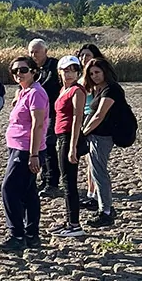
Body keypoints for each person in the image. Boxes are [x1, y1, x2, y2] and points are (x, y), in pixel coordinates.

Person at [0, 57, 49, 252]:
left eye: (23, 70)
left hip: (26, 149)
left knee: (9, 189)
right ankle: (32, 234)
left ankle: (16, 234)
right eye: (15, 71)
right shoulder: (24, 92)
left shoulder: (36, 93)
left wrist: (33, 155)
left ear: (34, 71)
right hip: (17, 147)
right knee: (28, 191)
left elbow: (38, 124)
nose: (19, 73)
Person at [81, 57, 123, 228]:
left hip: (103, 136)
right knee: (95, 170)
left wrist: (83, 132)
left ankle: (105, 211)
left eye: (97, 72)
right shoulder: (100, 88)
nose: (94, 76)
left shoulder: (111, 89)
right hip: (96, 135)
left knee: (99, 172)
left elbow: (99, 115)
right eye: (91, 74)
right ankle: (104, 207)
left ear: (105, 71)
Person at [50, 56, 87, 238]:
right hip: (61, 136)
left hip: (69, 137)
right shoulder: (64, 89)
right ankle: (69, 220)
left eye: (73, 70)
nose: (69, 73)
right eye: (66, 70)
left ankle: (74, 223)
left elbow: (77, 118)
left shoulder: (77, 91)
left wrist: (72, 146)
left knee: (69, 181)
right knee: (66, 181)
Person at [76, 44, 106, 212]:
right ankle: (90, 192)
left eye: (87, 55)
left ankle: (94, 195)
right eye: (82, 56)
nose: (84, 59)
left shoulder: (96, 77)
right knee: (88, 160)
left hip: (92, 117)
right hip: (83, 116)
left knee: (93, 160)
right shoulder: (83, 76)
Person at [30, 39, 61, 197]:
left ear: (45, 51)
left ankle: (52, 182)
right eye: (31, 52)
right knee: (41, 145)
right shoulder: (33, 69)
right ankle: (44, 178)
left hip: (54, 113)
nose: (33, 55)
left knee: (49, 146)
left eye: (36, 52)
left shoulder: (55, 67)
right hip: (39, 113)